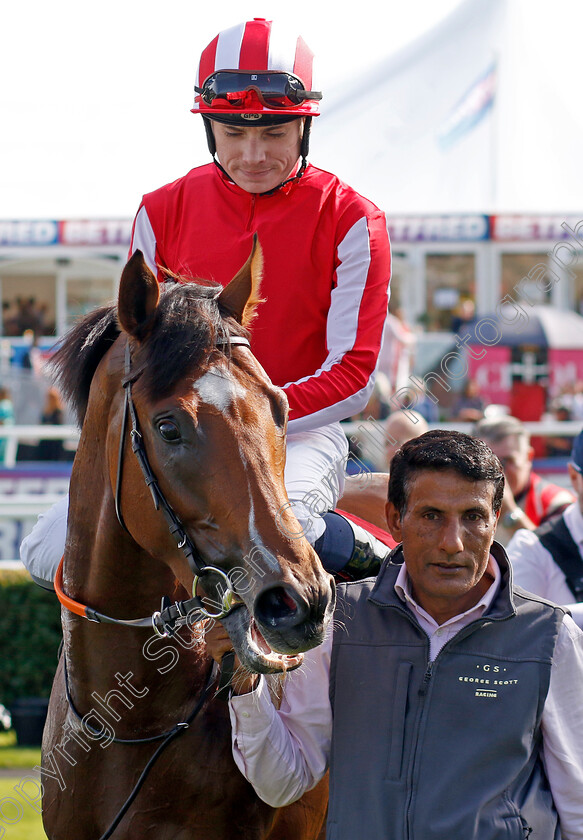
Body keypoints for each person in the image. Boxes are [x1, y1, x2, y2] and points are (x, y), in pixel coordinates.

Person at [20, 18, 391, 589]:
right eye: (233, 133)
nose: (253, 154)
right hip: (179, 432)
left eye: (274, 133)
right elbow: (132, 348)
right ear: (209, 128)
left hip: (296, 430)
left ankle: (366, 547)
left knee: (283, 537)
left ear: (304, 128)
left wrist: (242, 417)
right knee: (46, 551)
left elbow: (354, 375)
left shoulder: (351, 218)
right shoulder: (160, 210)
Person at [207, 430, 583, 839]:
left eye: (472, 517)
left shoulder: (550, 635)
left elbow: (578, 806)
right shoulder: (339, 624)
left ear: (495, 520)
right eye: (431, 516)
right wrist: (246, 683)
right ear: (394, 520)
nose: (453, 543)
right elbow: (284, 783)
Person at [507, 428, 583, 629]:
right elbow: (516, 630)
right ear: (574, 477)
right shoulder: (531, 548)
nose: (502, 470)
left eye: (508, 460)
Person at [474, 414, 574, 543]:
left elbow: (557, 559)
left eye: (506, 461)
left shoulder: (555, 503)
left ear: (528, 457)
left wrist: (509, 513)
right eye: (487, 463)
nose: (496, 472)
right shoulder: (461, 498)